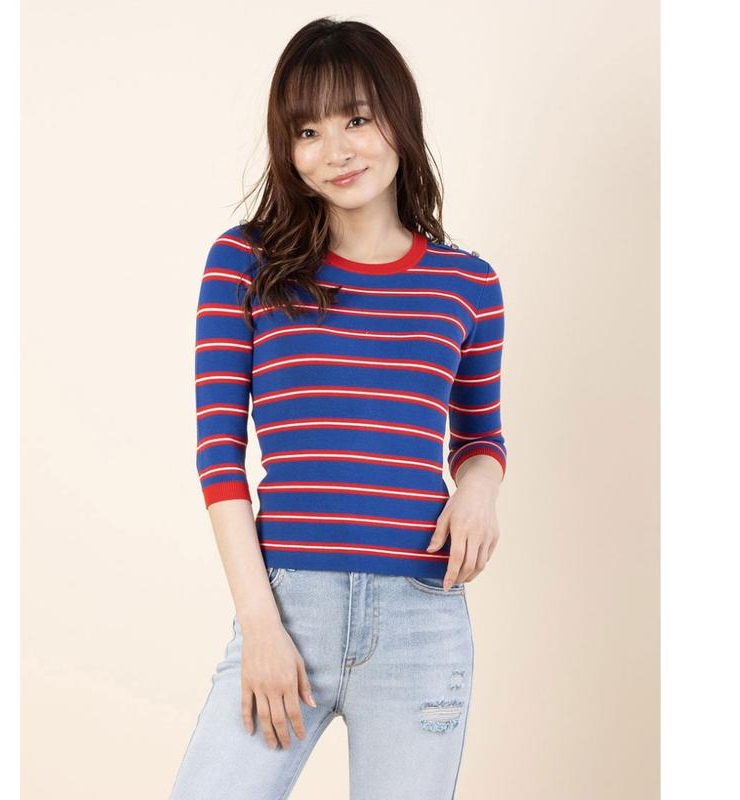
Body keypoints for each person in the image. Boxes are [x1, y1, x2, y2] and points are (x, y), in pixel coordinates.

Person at [168, 16, 507, 800]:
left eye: (356, 119)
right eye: (308, 131)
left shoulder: (467, 284)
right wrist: (261, 624)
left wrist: (481, 487)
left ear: (398, 117)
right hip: (288, 605)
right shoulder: (245, 263)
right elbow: (218, 455)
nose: (336, 150)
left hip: (422, 618)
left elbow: (480, 435)